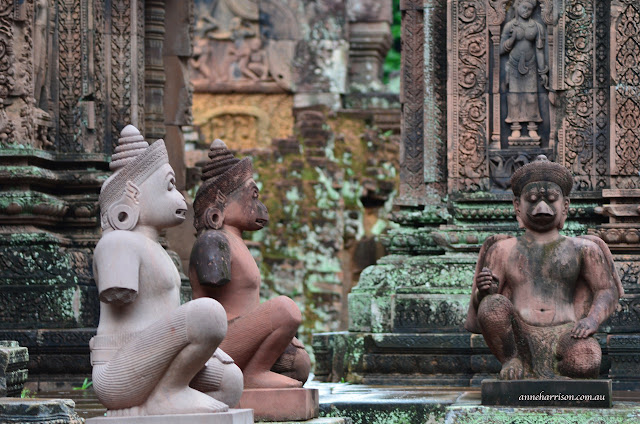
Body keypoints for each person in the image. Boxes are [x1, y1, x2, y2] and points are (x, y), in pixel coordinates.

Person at [90, 125, 243, 416]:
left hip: (155, 361)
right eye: (169, 186)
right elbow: (119, 296)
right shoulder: (118, 242)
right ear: (133, 194)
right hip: (120, 371)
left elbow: (162, 320)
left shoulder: (155, 250)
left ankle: (150, 404)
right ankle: (165, 396)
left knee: (230, 383)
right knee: (209, 313)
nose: (180, 198)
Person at [465, 155, 623, 379]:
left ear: (565, 205)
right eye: (532, 199)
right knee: (492, 305)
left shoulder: (583, 248)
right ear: (518, 206)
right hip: (518, 335)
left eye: (551, 199)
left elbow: (607, 290)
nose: (541, 206)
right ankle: (512, 360)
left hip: (567, 332)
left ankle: (554, 375)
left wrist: (592, 319)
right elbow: (483, 304)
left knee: (587, 360)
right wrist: (483, 291)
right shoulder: (502, 249)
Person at [190, 139, 311, 389]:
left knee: (298, 364)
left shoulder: (234, 242)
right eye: (252, 196)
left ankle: (255, 373)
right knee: (285, 309)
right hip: (215, 346)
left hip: (239, 339)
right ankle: (254, 375)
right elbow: (212, 300)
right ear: (219, 207)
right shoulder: (213, 241)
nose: (260, 207)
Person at [500, 0, 548, 141]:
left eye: (530, 9)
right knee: (514, 97)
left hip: (531, 65)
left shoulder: (537, 27)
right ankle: (515, 127)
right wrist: (513, 38)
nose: (526, 11)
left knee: (531, 96)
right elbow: (500, 49)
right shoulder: (510, 26)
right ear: (517, 5)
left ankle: (532, 126)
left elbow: (540, 52)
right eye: (524, 8)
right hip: (514, 65)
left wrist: (543, 71)